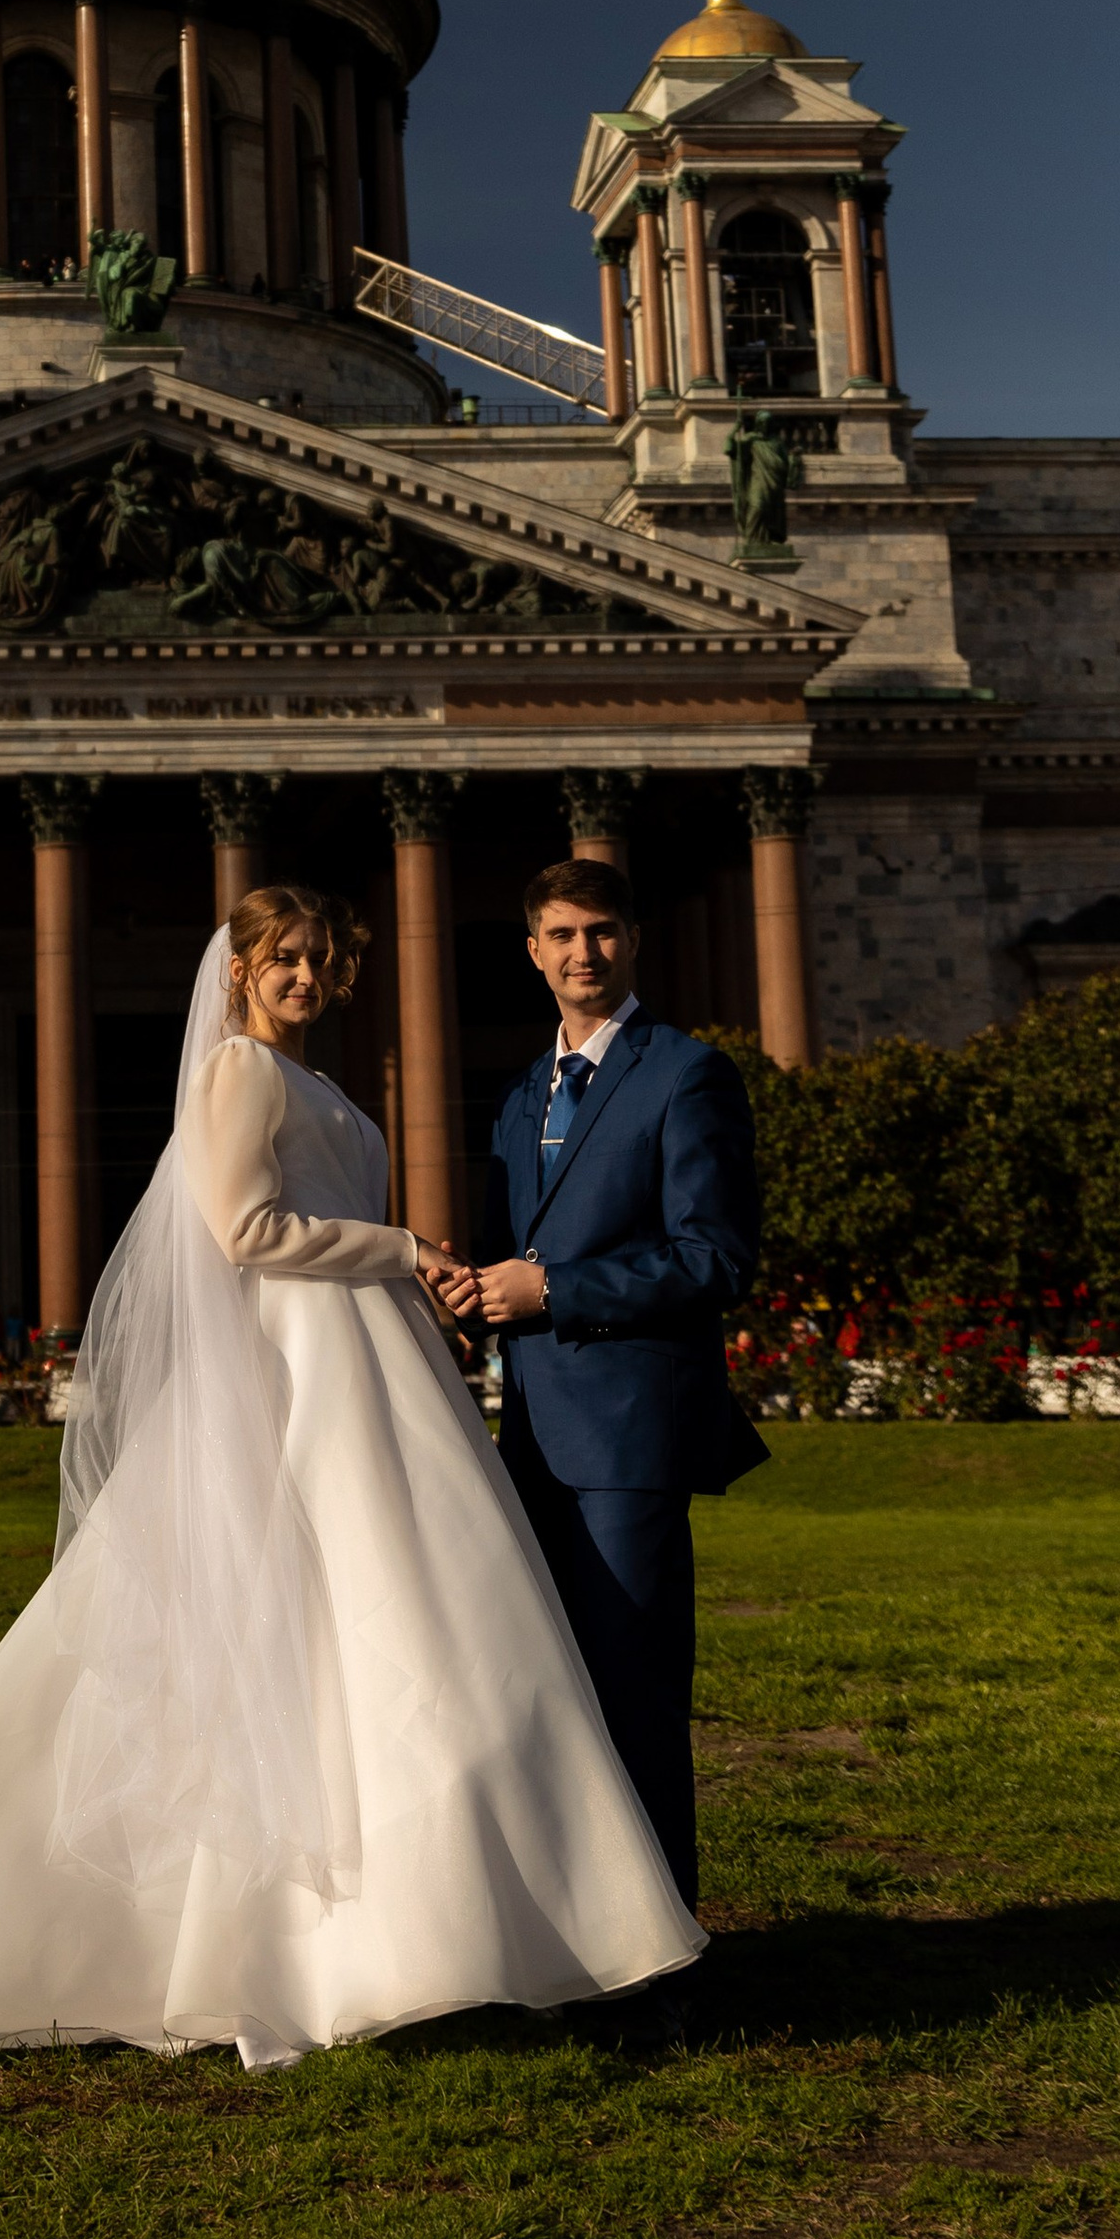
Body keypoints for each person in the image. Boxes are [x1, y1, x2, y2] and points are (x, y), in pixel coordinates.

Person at [0, 887, 700, 2069]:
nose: (304, 977)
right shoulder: (238, 1073)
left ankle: (443, 1938)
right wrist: (403, 1249)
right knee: (366, 1634)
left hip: (364, 1374)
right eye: (282, 959)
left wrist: (407, 1280)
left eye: (318, 958)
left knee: (400, 1643)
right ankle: (350, 1943)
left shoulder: (317, 1086)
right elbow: (244, 1232)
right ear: (241, 971)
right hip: (308, 1374)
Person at [461, 859, 764, 2033]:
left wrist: (553, 1290)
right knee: (552, 1699)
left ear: (630, 940)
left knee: (634, 1693)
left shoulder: (687, 1073)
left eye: (600, 932)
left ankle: (659, 1965)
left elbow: (715, 1256)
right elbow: (505, 1260)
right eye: (558, 935)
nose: (581, 953)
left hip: (630, 1439)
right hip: (530, 1438)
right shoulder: (520, 1092)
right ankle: (580, 1936)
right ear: (530, 952)